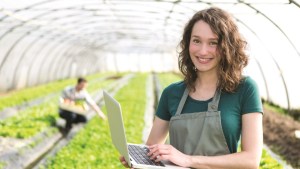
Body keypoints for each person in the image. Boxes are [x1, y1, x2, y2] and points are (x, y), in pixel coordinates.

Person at [120, 7, 263, 169]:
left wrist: (188, 160)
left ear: (227, 47)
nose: (203, 51)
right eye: (196, 41)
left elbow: (251, 160)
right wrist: (138, 161)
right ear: (187, 43)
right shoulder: (171, 93)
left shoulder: (245, 89)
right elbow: (152, 149)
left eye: (213, 43)